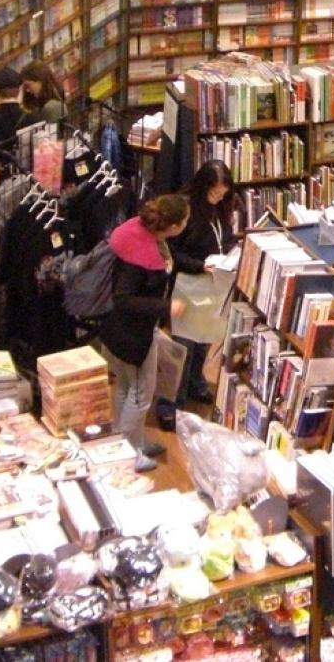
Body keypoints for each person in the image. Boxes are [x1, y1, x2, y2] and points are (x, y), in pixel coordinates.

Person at [100, 194, 189, 472]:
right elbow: (125, 299)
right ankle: (126, 452)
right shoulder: (143, 256)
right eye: (185, 221)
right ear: (173, 226)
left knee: (125, 388)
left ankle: (134, 442)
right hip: (132, 335)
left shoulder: (137, 233)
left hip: (116, 329)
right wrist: (166, 307)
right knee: (140, 396)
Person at [155, 161, 238, 428]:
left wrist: (232, 251)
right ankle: (171, 402)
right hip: (189, 283)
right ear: (203, 187)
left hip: (213, 284)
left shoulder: (222, 208)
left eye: (223, 194)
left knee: (204, 340)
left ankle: (195, 383)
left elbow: (225, 237)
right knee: (183, 347)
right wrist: (200, 265)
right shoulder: (185, 210)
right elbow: (172, 251)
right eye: (215, 193)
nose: (219, 198)